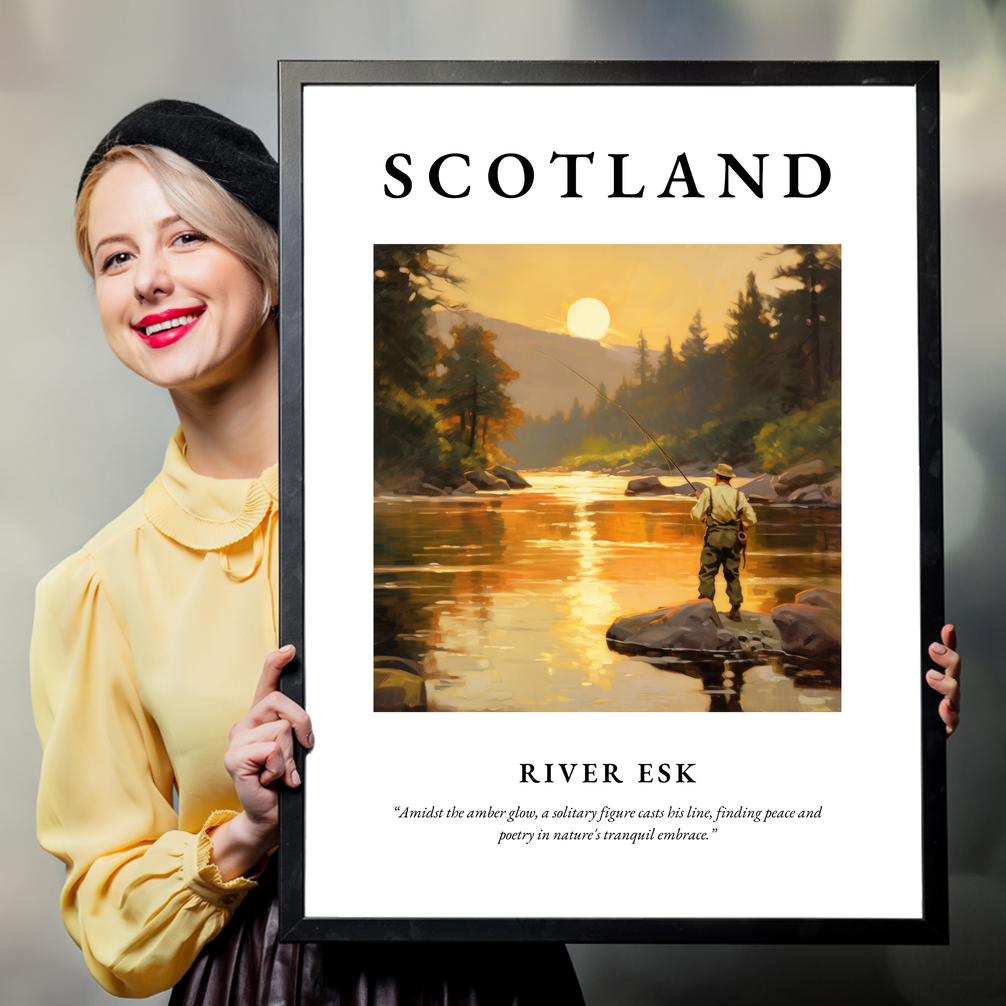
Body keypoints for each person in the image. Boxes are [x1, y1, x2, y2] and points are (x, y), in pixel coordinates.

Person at [30, 100, 584, 1004]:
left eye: (186, 238)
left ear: (273, 264)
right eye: (116, 257)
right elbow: (110, 924)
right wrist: (244, 832)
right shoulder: (97, 588)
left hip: (494, 972)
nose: (148, 281)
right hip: (264, 981)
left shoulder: (429, 512)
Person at [690, 462, 757, 621]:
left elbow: (696, 515)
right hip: (732, 538)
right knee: (732, 573)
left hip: (714, 536)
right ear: (729, 479)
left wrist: (700, 501)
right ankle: (735, 610)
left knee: (707, 572)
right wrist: (742, 525)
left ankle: (706, 608)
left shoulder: (708, 493)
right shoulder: (738, 495)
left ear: (717, 477)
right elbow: (752, 519)